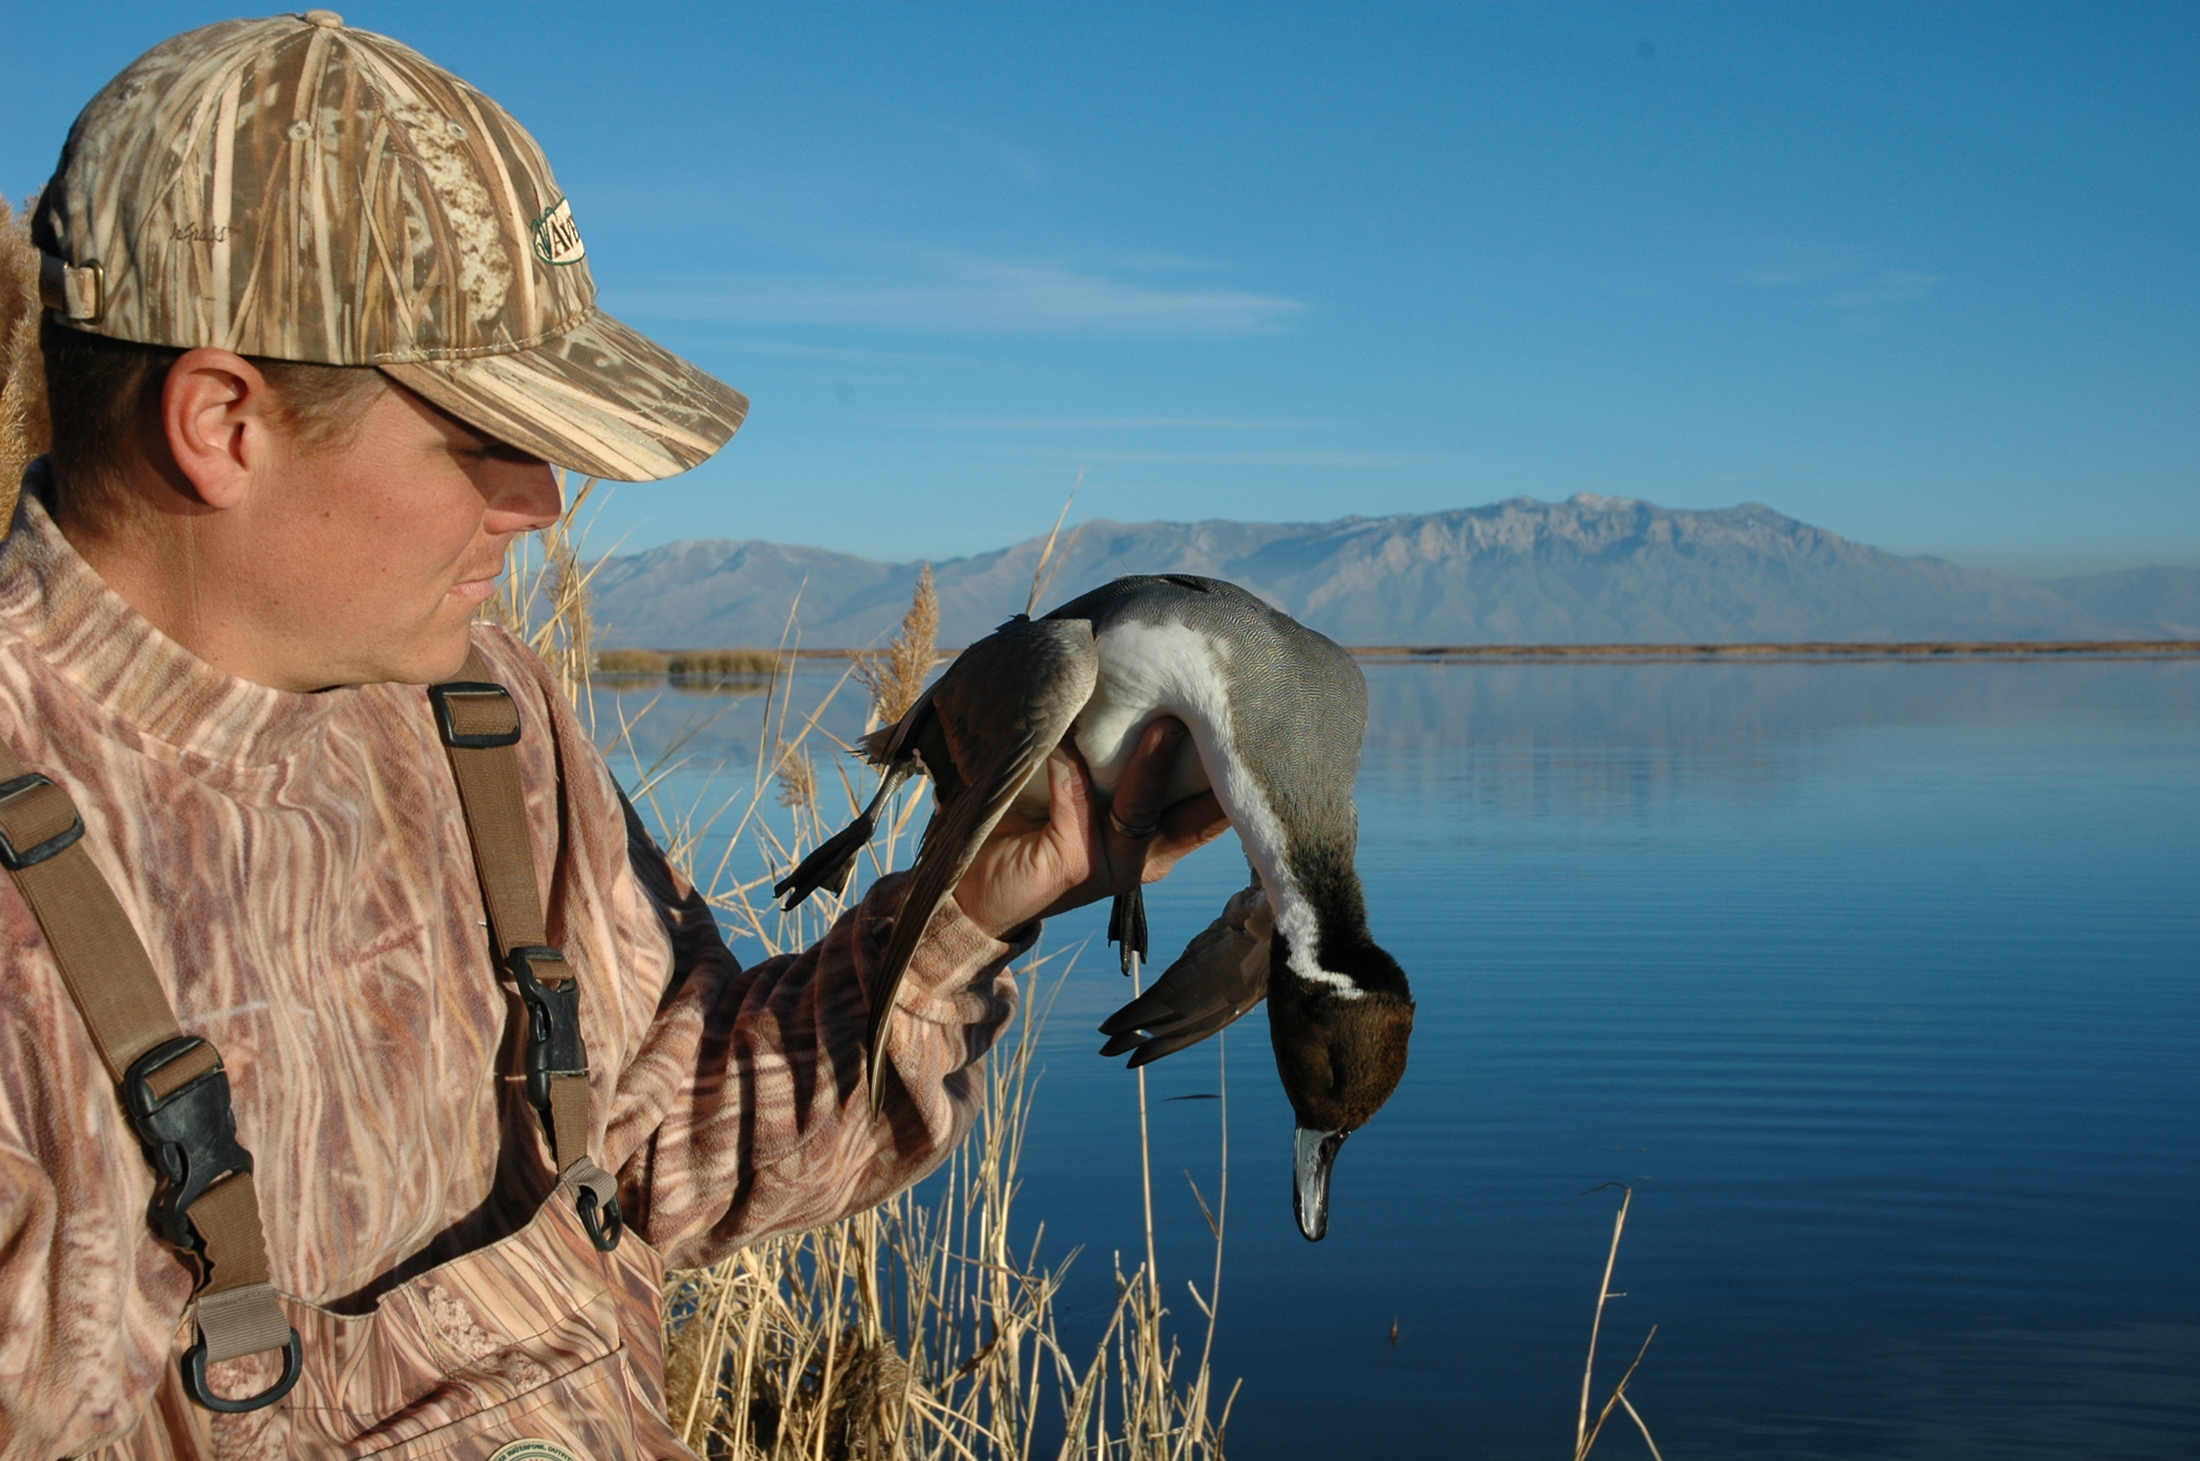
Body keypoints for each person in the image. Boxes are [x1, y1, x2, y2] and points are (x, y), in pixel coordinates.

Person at [0, 14, 1225, 1458]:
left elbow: (671, 1144)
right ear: (223, 422)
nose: (547, 506)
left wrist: (968, 907)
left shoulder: (490, 723)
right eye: (489, 437)